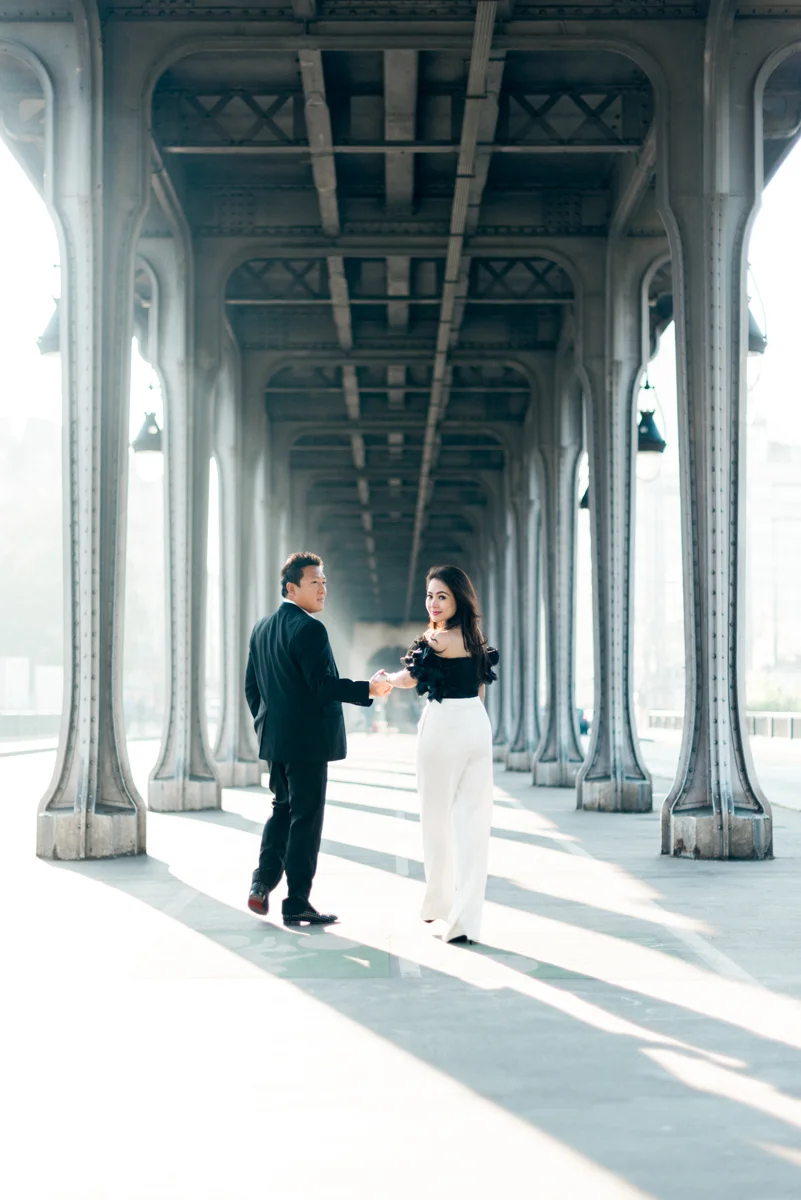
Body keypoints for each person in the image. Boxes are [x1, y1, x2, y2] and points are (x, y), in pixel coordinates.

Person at [245, 551, 391, 926]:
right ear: (292, 588)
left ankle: (261, 883)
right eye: (315, 582)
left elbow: (252, 688)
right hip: (307, 743)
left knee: (281, 809)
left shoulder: (261, 628)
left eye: (325, 581)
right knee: (306, 819)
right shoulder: (309, 629)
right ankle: (296, 901)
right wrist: (368, 689)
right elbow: (322, 685)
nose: (323, 588)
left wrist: (268, 723)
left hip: (275, 741)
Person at [385, 565, 498, 945]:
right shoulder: (475, 638)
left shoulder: (438, 641)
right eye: (430, 595)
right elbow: (480, 690)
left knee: (435, 819)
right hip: (477, 727)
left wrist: (381, 682)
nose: (433, 603)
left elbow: (411, 678)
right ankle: (466, 920)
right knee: (473, 825)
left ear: (458, 599)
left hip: (444, 726)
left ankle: (437, 902)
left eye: (442, 596)